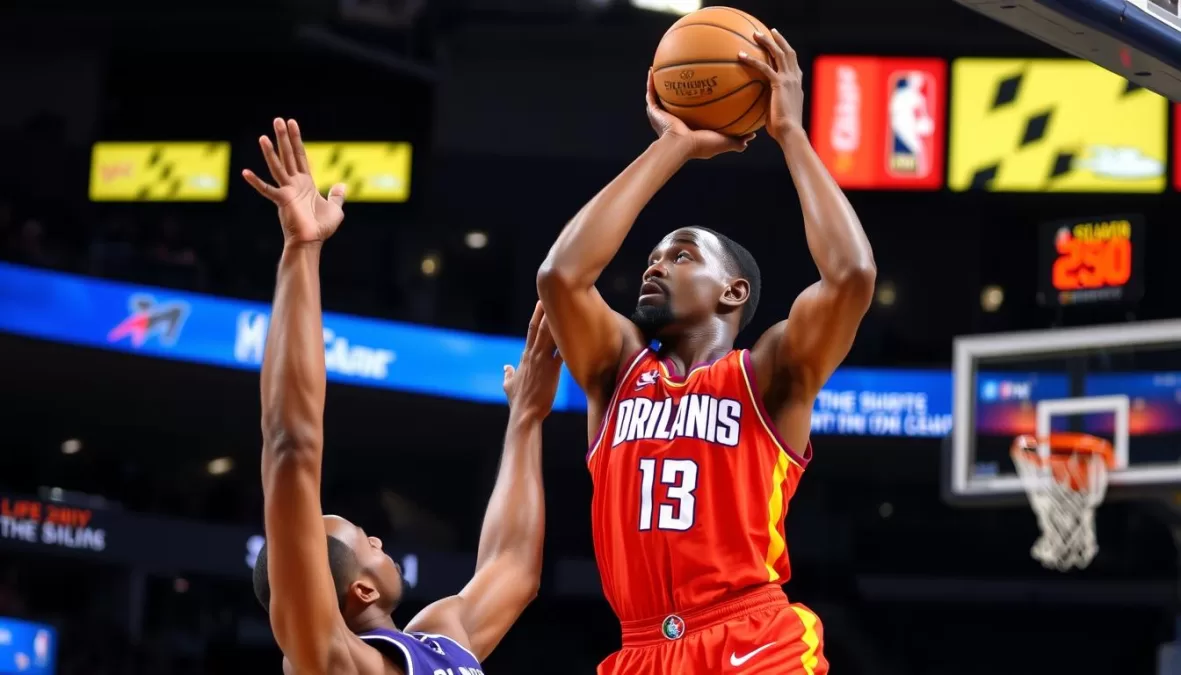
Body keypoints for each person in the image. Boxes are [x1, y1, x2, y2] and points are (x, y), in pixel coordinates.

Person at [536, 30, 875, 675]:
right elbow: (560, 277)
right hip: (638, 648)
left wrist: (791, 136)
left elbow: (852, 277)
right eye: (653, 257)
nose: (655, 267)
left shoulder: (769, 373)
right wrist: (673, 147)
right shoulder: (617, 371)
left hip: (752, 637)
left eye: (682, 255)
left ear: (733, 291)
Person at [244, 118, 563, 675]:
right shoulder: (333, 662)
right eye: (364, 541)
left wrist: (527, 418)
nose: (376, 536)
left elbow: (514, 568)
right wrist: (301, 251)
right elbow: (291, 445)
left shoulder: (440, 637)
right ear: (359, 590)